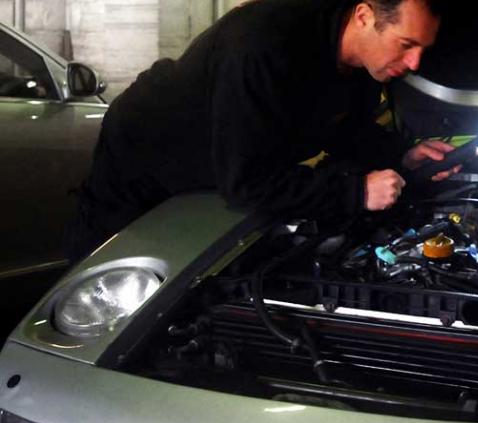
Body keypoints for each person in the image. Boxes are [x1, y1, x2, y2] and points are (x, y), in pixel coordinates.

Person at [67, 0, 457, 261]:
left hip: (220, 171)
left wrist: (402, 154)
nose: (414, 61)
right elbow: (248, 182)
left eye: (422, 48)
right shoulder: (262, 45)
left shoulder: (365, 65)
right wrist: (356, 192)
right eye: (406, 44)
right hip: (143, 164)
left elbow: (345, 130)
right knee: (120, 284)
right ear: (364, 17)